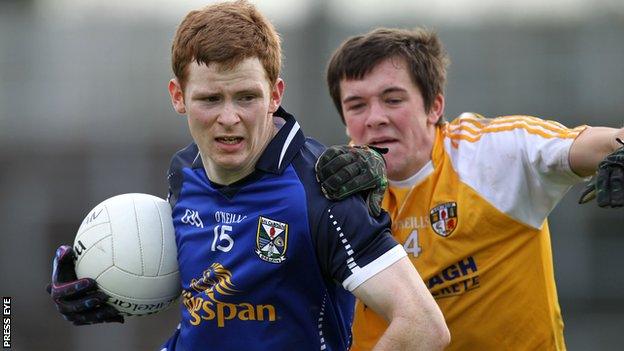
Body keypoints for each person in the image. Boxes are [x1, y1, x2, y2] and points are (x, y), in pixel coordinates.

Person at [46, 2, 450, 350]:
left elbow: (422, 325)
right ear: (177, 97)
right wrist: (100, 277)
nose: (228, 118)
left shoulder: (324, 189)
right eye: (209, 99)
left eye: (246, 97)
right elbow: (203, 290)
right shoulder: (183, 173)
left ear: (275, 95)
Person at [315, 27, 624, 350]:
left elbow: (601, 144)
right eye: (356, 106)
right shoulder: (325, 189)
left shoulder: (495, 154)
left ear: (434, 107)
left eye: (393, 100)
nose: (375, 118)